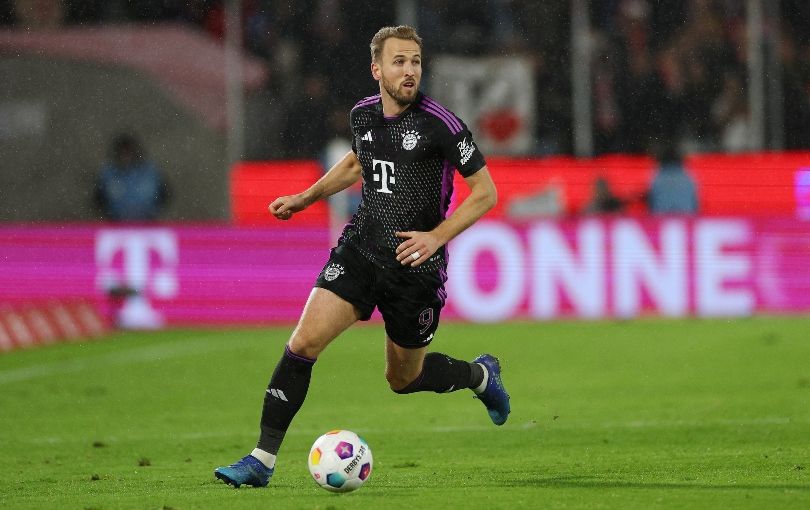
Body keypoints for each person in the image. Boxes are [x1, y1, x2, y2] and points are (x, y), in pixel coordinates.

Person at [214, 25, 510, 489]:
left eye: (415, 61)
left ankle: (479, 376)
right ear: (377, 69)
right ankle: (261, 460)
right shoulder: (363, 115)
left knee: (403, 378)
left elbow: (485, 193)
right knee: (302, 343)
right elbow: (357, 162)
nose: (410, 70)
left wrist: (436, 237)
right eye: (399, 62)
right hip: (361, 251)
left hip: (415, 269)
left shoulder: (441, 123)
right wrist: (306, 197)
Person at [94, 132, 170, 222]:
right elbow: (98, 199)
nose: (126, 155)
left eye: (128, 151)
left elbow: (165, 194)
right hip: (116, 224)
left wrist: (153, 211)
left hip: (147, 223)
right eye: (122, 152)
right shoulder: (108, 174)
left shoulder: (150, 172)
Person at [647, 146, 698, 214]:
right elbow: (695, 205)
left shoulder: (656, 178)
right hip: (685, 219)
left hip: (661, 220)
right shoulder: (688, 178)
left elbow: (651, 203)